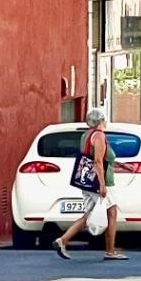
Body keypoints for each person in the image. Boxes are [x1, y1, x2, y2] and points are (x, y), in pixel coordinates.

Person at [54, 108, 126, 261]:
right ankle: (110, 251)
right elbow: (98, 161)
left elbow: (94, 157)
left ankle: (63, 240)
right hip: (101, 182)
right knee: (112, 213)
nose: (105, 122)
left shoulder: (86, 135)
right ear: (101, 121)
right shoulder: (99, 135)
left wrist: (122, 165)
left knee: (88, 215)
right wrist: (102, 185)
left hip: (87, 181)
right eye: (104, 120)